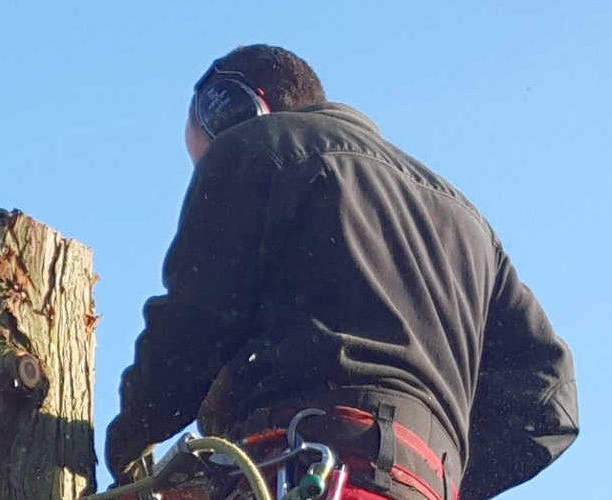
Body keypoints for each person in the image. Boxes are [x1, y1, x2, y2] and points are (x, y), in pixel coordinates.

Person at [103, 44, 579, 500]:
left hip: (305, 467)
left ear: (238, 112)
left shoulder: (253, 147)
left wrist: (128, 444)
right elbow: (551, 404)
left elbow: (191, 328)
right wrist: (431, 473)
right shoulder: (467, 223)